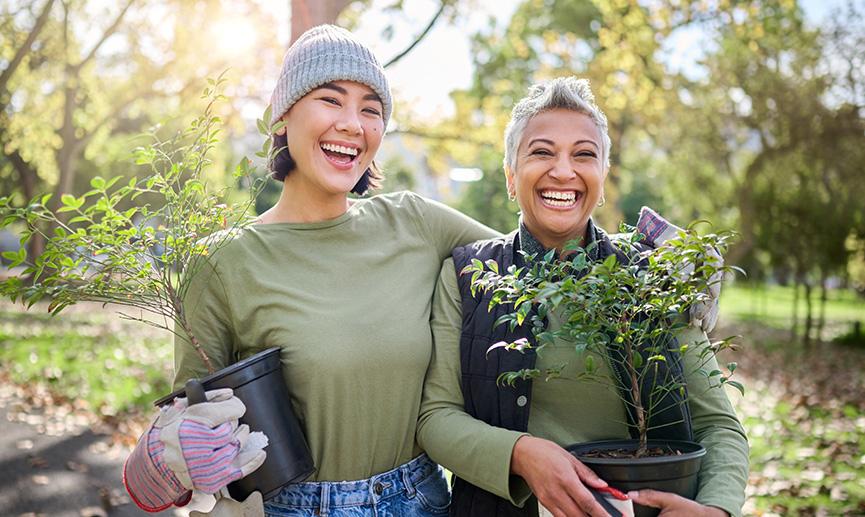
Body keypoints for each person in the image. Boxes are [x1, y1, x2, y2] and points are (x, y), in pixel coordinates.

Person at [121, 26, 716, 516]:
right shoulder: (222, 262)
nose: (353, 124)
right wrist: (163, 461)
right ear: (283, 117)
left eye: (371, 109)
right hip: (291, 507)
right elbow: (191, 423)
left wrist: (663, 269)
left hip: (422, 500)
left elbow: (547, 262)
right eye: (331, 99)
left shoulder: (417, 223)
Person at [416, 77, 749, 517]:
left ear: (603, 177)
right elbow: (437, 417)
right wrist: (521, 454)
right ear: (511, 176)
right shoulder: (466, 276)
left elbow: (716, 423)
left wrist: (716, 509)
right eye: (541, 152)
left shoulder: (655, 274)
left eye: (584, 154)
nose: (563, 170)